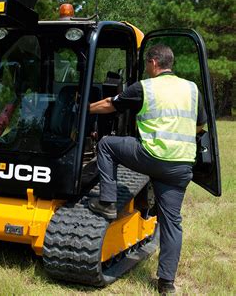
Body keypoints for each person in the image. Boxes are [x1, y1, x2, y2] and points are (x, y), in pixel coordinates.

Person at [87, 44, 207, 294]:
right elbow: (200, 127)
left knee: (107, 145)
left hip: (152, 156)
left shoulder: (146, 87)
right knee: (172, 222)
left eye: (146, 64)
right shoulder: (192, 89)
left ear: (153, 63)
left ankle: (107, 201)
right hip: (182, 166)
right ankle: (166, 283)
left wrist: (82, 110)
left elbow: (111, 104)